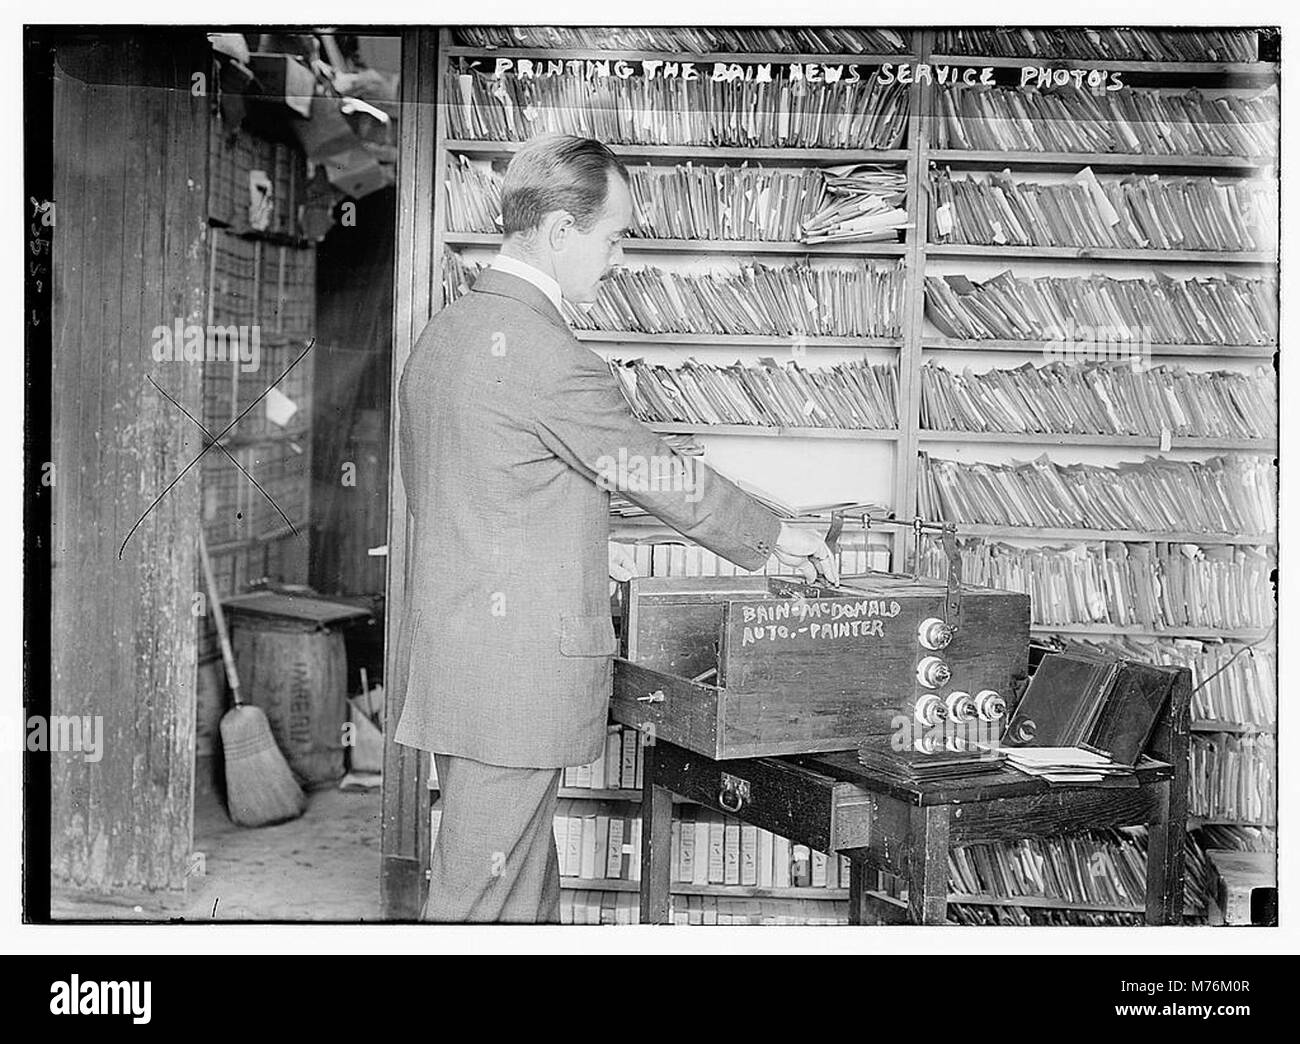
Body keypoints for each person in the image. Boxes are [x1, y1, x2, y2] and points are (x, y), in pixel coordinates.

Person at [393, 133, 837, 922]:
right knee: (474, 907)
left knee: (519, 893)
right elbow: (656, 472)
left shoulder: (443, 337)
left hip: (464, 665)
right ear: (561, 232)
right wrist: (781, 536)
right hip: (514, 683)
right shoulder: (545, 356)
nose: (620, 256)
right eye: (614, 237)